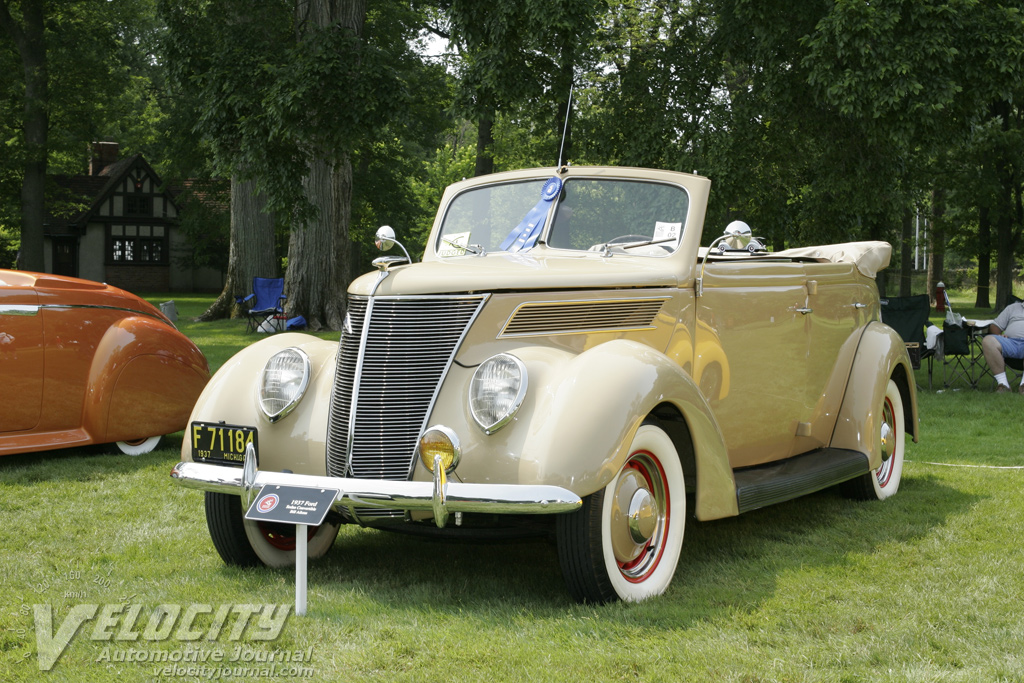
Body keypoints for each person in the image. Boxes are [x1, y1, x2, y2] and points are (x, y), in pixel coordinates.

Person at [981, 299, 1024, 393]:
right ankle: (1003, 385)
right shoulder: (1012, 308)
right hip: (1011, 342)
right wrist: (999, 335)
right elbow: (995, 326)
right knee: (988, 341)